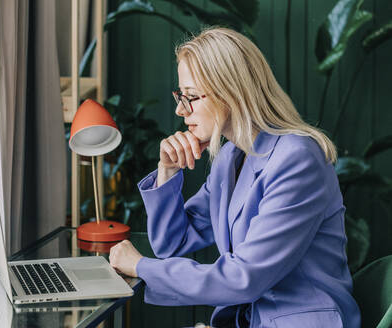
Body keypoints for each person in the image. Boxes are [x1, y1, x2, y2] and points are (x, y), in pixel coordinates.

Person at [108, 27, 361, 328]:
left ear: (229, 92)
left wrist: (139, 266)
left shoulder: (297, 159)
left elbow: (244, 279)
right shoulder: (230, 158)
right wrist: (168, 172)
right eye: (180, 96)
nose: (180, 109)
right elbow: (173, 243)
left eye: (189, 97)